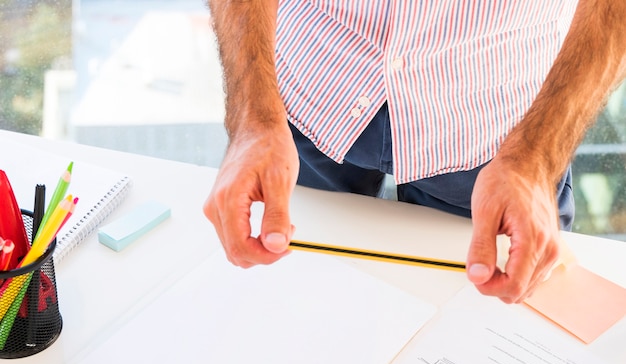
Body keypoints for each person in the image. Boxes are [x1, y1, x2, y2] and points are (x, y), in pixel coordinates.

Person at [204, 0, 626, 303]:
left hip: (497, 130)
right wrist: (252, 118)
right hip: (308, 88)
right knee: (296, 294)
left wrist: (535, 158)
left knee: (489, 325)